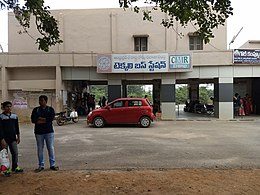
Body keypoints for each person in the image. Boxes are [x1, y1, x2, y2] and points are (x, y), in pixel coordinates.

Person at [31, 95, 59, 172]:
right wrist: (45, 120)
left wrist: (40, 119)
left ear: (46, 101)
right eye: (39, 100)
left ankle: (52, 165)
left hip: (49, 132)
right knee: (40, 148)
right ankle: (41, 165)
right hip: (39, 132)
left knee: (50, 148)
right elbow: (33, 120)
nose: (40, 102)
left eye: (42, 100)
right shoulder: (35, 110)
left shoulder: (50, 110)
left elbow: (51, 119)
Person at [0, 101, 23, 175]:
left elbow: (17, 127)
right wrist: (2, 139)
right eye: (7, 106)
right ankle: (5, 170)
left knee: (15, 153)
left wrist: (18, 137)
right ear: (3, 108)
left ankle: (15, 167)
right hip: (4, 139)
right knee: (4, 156)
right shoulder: (1, 117)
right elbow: (0, 129)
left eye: (10, 106)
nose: (9, 108)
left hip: (13, 138)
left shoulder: (14, 116)